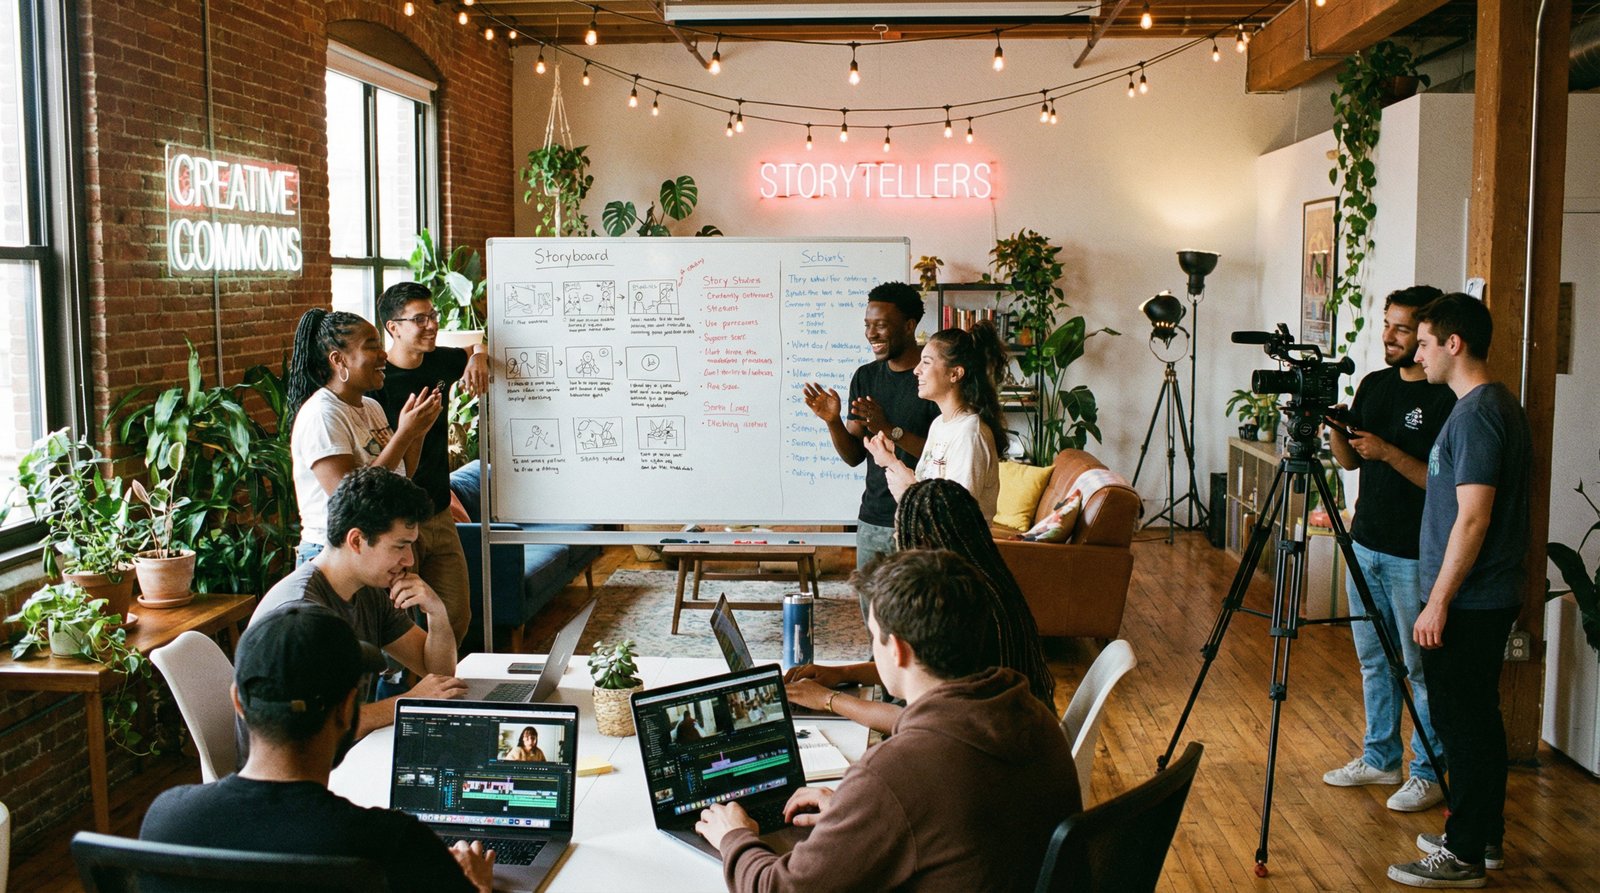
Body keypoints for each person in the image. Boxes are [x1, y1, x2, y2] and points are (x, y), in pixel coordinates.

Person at [695, 549, 1080, 891]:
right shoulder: (1032, 715)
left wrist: (735, 837)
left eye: (874, 636)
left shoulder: (893, 776)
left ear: (896, 649)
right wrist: (858, 818)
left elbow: (778, 889)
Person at [141, 601, 494, 893]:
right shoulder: (393, 844)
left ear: (238, 702)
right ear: (346, 709)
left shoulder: (165, 822)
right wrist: (476, 887)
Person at [1386, 293, 1531, 889]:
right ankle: (1483, 833)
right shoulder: (1487, 406)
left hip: (1470, 600)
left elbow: (1473, 518)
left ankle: (1464, 850)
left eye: (1423, 342)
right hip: (1480, 596)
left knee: (1461, 722)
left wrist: (1438, 599)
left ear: (1454, 344)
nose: (1417, 353)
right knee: (1477, 718)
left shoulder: (1476, 415)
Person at [1321, 285, 1455, 813]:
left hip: (1414, 553)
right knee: (1373, 661)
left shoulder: (1446, 398)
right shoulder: (1375, 385)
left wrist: (1387, 452)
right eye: (1387, 324)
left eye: (1402, 329)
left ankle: (1427, 771)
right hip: (1366, 543)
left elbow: (1441, 484)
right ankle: (1380, 758)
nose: (1390, 337)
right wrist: (1337, 431)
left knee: (1419, 668)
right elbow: (1352, 464)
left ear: (1426, 335)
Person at [786, 478, 1056, 732]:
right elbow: (923, 663)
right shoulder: (979, 580)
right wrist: (842, 672)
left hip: (994, 739)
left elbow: (922, 723)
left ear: (924, 543)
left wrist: (829, 700)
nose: (896, 543)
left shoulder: (967, 606)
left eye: (898, 536)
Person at [257, 467, 466, 737]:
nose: (410, 560)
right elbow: (312, 726)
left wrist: (436, 613)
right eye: (400, 546)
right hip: (300, 771)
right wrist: (408, 703)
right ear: (356, 540)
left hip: (340, 754)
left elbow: (438, 674)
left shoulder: (367, 591)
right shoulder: (301, 614)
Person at [370, 282, 489, 646]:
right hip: (395, 521)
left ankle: (434, 689)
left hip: (438, 511)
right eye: (419, 319)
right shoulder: (376, 382)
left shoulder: (440, 360)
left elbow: (476, 345)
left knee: (457, 615)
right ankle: (407, 697)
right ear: (394, 328)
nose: (431, 325)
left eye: (432, 316)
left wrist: (478, 356)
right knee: (401, 627)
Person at [801, 282, 939, 574]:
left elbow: (938, 456)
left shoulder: (932, 378)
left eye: (881, 325)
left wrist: (889, 429)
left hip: (921, 523)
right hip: (872, 521)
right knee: (871, 616)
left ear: (909, 325)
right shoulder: (865, 377)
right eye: (867, 325)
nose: (871, 334)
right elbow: (854, 456)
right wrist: (832, 421)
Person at [287, 307, 441, 566]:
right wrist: (404, 433)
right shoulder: (322, 415)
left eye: (380, 344)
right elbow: (352, 500)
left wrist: (417, 433)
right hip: (331, 554)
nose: (383, 354)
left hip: (373, 549)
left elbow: (400, 475)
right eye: (371, 347)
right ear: (339, 360)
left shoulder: (371, 407)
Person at [865, 321, 1007, 522]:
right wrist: (890, 460)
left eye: (927, 362)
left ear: (955, 373)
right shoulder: (939, 424)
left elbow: (955, 516)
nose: (916, 370)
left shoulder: (969, 434)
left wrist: (892, 464)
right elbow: (923, 493)